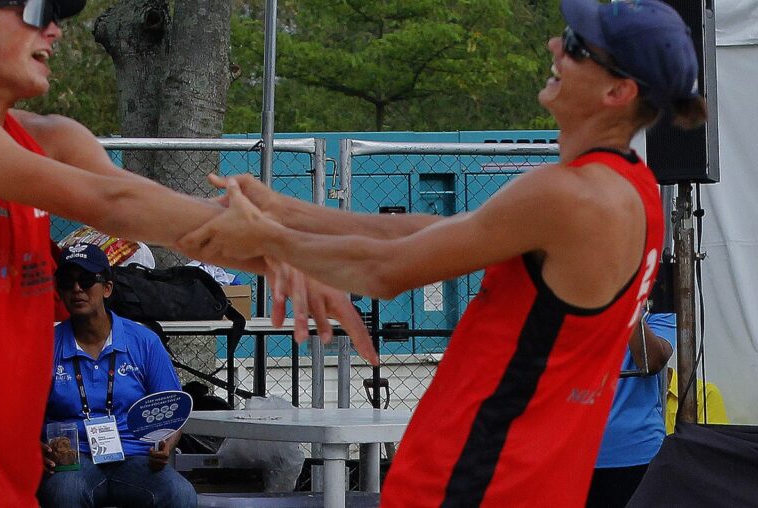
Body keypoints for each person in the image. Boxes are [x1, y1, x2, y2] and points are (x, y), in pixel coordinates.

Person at [177, 0, 707, 505]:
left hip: (475, 483)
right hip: (520, 481)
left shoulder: (569, 195)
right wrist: (285, 212)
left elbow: (385, 272)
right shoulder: (632, 192)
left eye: (573, 44)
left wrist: (265, 238)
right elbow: (431, 232)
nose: (552, 45)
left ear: (618, 91)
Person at [0, 0, 371, 506]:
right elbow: (115, 203)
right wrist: (288, 252)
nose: (52, 29)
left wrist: (313, 247)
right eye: (35, 13)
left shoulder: (51, 138)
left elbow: (149, 206)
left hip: (6, 487)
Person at [39, 244, 195, 508]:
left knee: (180, 494)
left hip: (136, 457)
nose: (77, 289)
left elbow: (172, 411)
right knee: (64, 493)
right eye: (67, 282)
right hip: (74, 460)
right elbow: (21, 416)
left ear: (107, 288)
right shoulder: (45, 346)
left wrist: (166, 444)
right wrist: (35, 449)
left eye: (87, 280)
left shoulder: (144, 342)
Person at [587, 312, 675, 508]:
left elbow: (650, 361)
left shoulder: (659, 309)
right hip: (573, 455)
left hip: (637, 454)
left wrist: (628, 301)